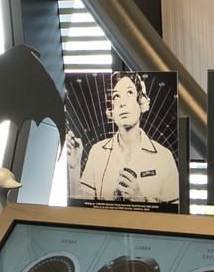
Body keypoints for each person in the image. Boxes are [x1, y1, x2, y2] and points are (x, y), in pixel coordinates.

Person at [67, 73, 178, 205]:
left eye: (129, 93)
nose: (122, 103)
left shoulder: (164, 157)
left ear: (141, 103)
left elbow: (174, 214)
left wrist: (140, 198)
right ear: (111, 111)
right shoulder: (97, 152)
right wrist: (73, 167)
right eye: (116, 96)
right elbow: (82, 209)